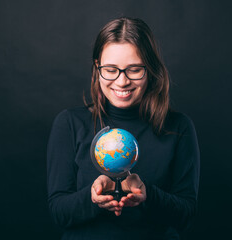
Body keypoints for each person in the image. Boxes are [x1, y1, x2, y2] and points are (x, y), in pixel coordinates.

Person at [47, 17, 200, 240]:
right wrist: (94, 197)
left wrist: (147, 194)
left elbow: (186, 216)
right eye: (110, 69)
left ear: (150, 69)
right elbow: (59, 213)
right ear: (97, 68)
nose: (122, 81)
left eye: (134, 69)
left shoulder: (178, 128)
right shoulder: (70, 124)